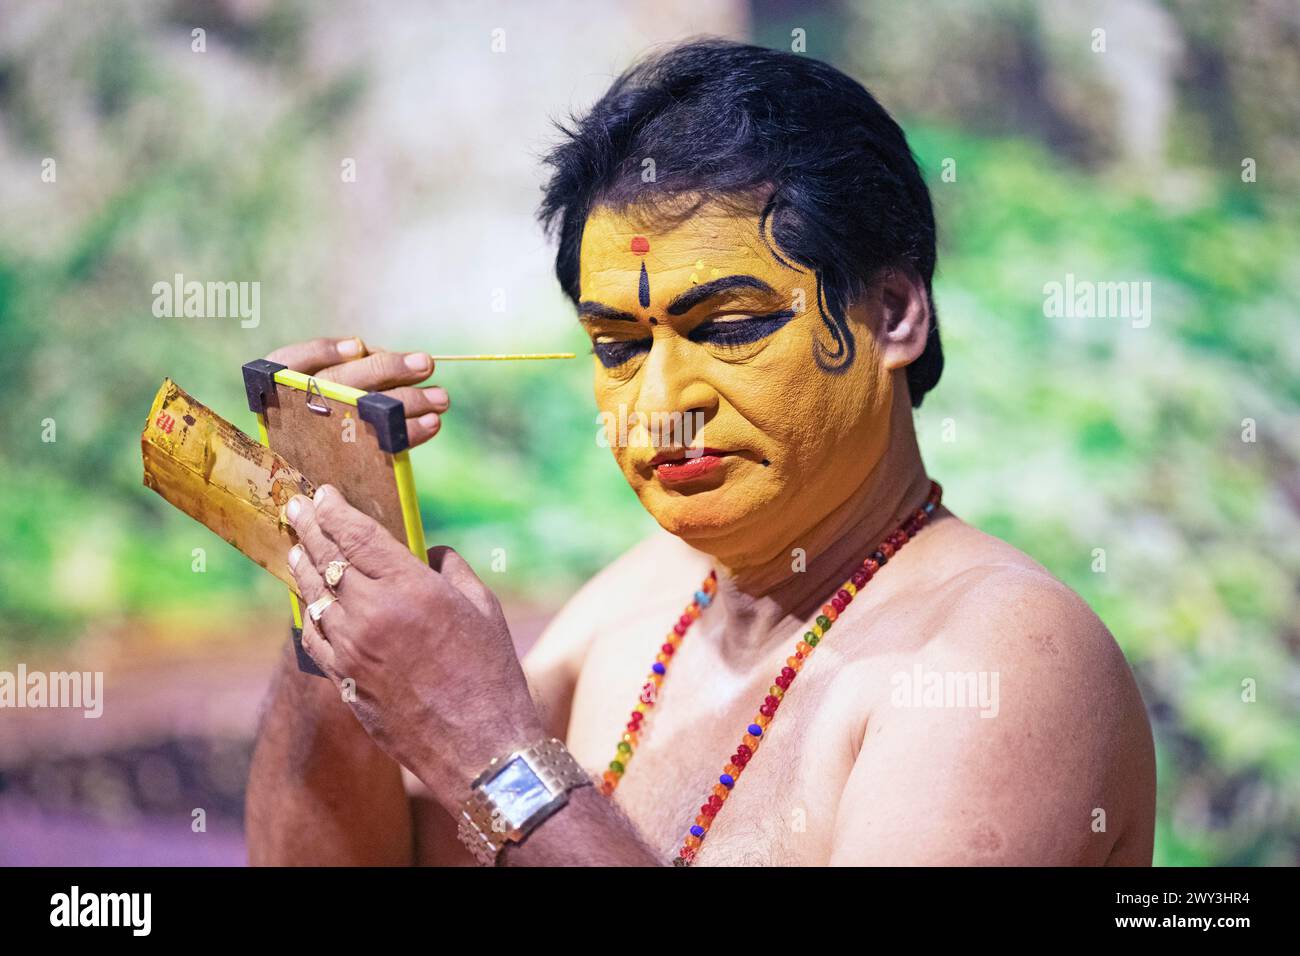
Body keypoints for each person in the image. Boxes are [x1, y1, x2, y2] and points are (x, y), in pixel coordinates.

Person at [246, 39, 1155, 866]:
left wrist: (493, 750)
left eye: (728, 327)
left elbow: (497, 774)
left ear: (893, 312)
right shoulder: (638, 602)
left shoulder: (1005, 662)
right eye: (618, 347)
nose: (661, 406)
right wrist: (331, 587)